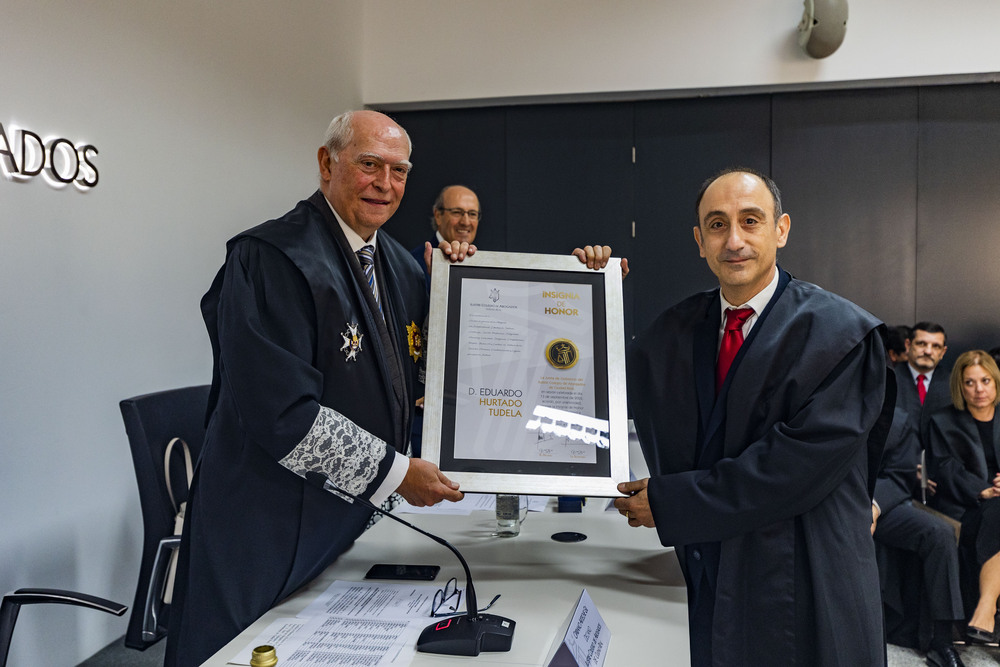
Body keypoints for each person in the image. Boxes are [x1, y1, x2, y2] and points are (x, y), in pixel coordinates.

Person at [165, 110, 474, 665]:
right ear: (326, 164)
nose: (385, 184)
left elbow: (430, 374)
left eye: (399, 171)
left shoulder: (400, 266)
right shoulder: (271, 259)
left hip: (348, 523)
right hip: (264, 527)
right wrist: (400, 474)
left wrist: (469, 288)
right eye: (369, 165)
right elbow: (284, 418)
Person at [614, 167, 889, 666]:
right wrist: (586, 293)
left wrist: (672, 503)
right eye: (717, 225)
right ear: (699, 241)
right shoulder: (674, 332)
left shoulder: (841, 336)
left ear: (781, 229)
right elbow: (590, 382)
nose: (734, 240)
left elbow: (790, 471)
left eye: (750, 220)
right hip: (717, 571)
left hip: (806, 578)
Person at [873, 404, 965, 666]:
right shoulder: (826, 408)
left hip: (882, 503)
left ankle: (942, 641)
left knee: (940, 533)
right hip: (832, 505)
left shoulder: (899, 418)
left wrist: (873, 507)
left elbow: (900, 476)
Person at [928, 350, 1000, 644]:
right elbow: (944, 467)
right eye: (969, 383)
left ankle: (986, 606)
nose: (979, 389)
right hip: (966, 506)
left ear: (995, 382)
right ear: (959, 386)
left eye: (985, 381)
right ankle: (988, 607)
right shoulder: (943, 421)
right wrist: (982, 489)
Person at [410, 184, 480, 289]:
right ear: (438, 216)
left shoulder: (481, 264)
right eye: (457, 212)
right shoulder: (414, 264)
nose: (465, 222)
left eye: (472, 214)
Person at [896, 322, 951, 449]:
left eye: (936, 346)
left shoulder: (953, 384)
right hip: (894, 464)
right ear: (908, 345)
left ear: (942, 352)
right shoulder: (887, 380)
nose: (928, 351)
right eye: (922, 344)